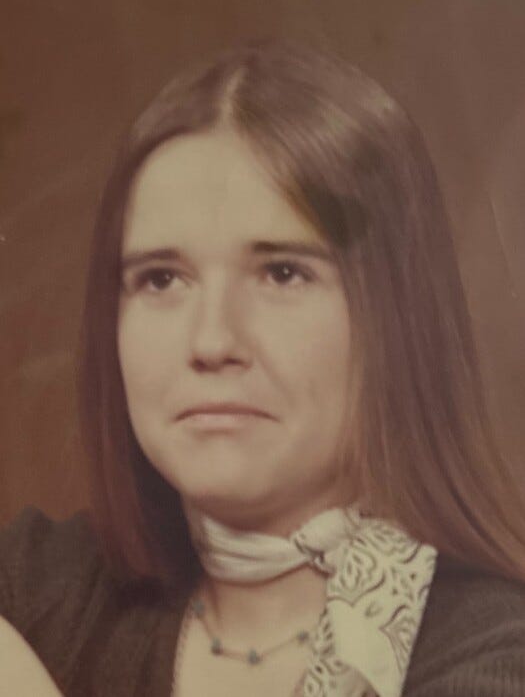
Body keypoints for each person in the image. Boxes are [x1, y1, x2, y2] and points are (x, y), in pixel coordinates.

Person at [1, 39, 525, 697]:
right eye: (161, 278)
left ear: (395, 318)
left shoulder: (498, 652)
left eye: (282, 273)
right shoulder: (37, 582)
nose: (212, 340)